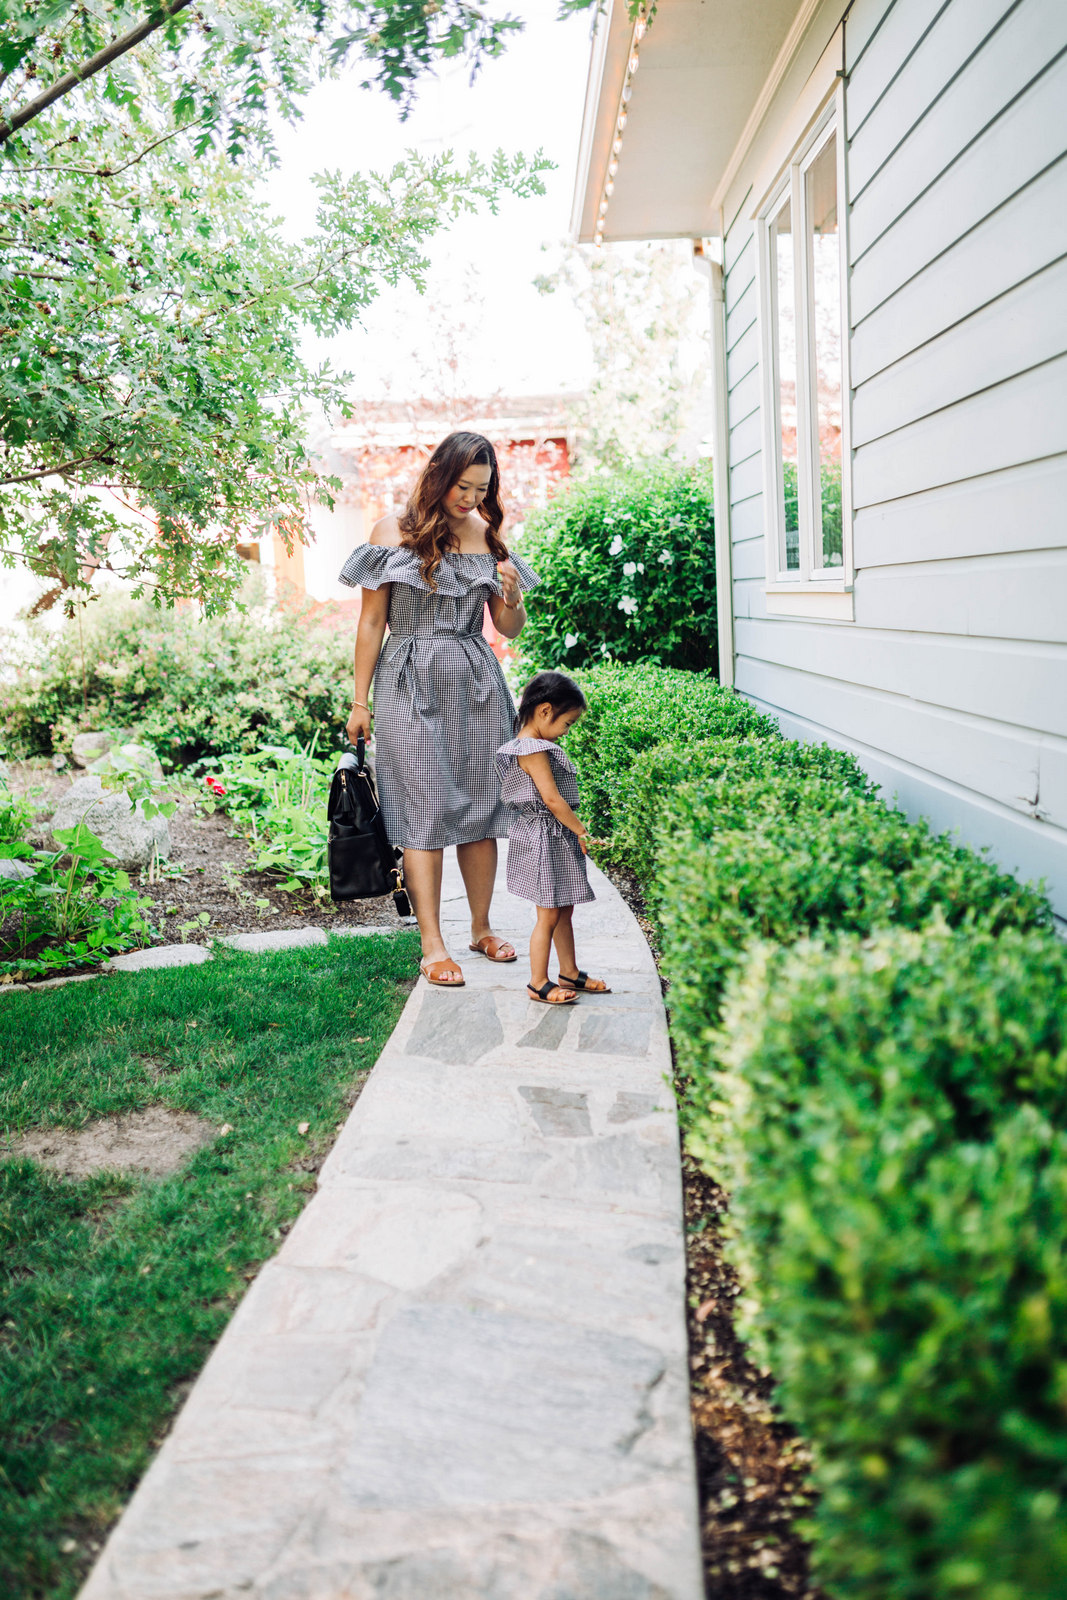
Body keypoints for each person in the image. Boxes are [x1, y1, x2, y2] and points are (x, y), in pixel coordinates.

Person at [340, 430, 538, 988]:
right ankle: (432, 942)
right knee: (422, 807)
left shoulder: (489, 539)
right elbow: (372, 622)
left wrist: (512, 592)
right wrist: (359, 701)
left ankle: (481, 927)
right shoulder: (392, 533)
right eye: (462, 486)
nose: (470, 499)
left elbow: (506, 627)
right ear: (438, 474)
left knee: (479, 809)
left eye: (481, 489)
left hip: (476, 684)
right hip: (407, 682)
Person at [495, 670, 612, 1005]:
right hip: (543, 837)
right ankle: (537, 982)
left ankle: (569, 972)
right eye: (568, 723)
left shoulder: (536, 744)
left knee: (564, 908)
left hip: (552, 835)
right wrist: (581, 829)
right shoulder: (532, 749)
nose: (566, 732)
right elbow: (551, 799)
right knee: (547, 913)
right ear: (545, 710)